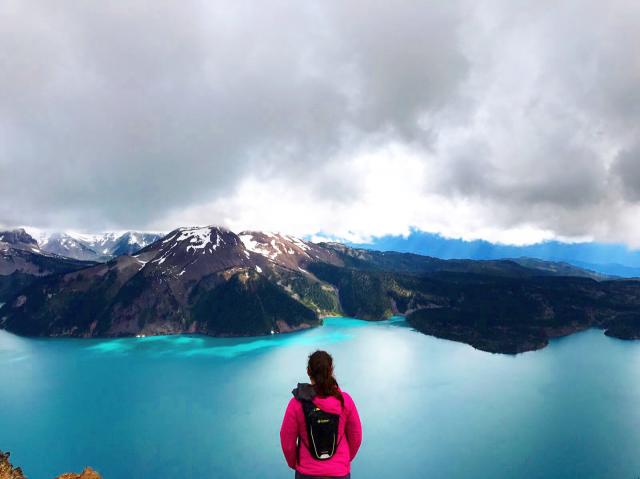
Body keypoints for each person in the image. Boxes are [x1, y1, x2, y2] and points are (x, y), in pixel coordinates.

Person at [280, 350, 362, 479]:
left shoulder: (297, 403)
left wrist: (295, 464)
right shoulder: (345, 401)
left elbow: (287, 442)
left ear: (308, 371)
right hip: (339, 472)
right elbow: (356, 437)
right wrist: (343, 461)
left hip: (307, 472)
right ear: (330, 371)